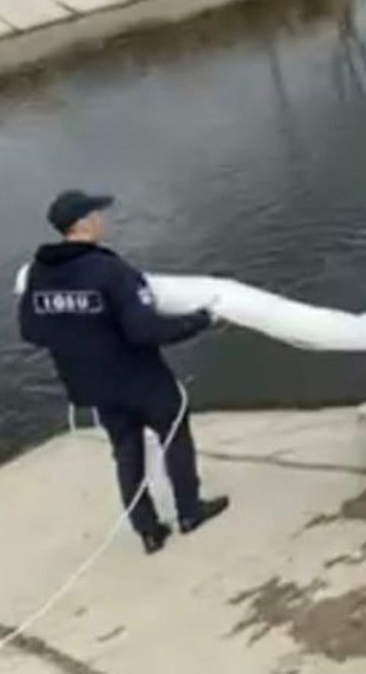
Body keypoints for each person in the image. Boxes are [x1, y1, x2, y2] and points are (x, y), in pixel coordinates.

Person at [17, 191, 229, 554]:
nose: (103, 220)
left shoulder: (39, 273)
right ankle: (189, 512)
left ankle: (148, 531)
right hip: (140, 380)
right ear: (84, 224)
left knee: (126, 452)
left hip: (93, 386)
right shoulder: (111, 270)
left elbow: (31, 330)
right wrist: (201, 320)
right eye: (97, 214)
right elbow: (144, 330)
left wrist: (76, 339)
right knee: (174, 434)